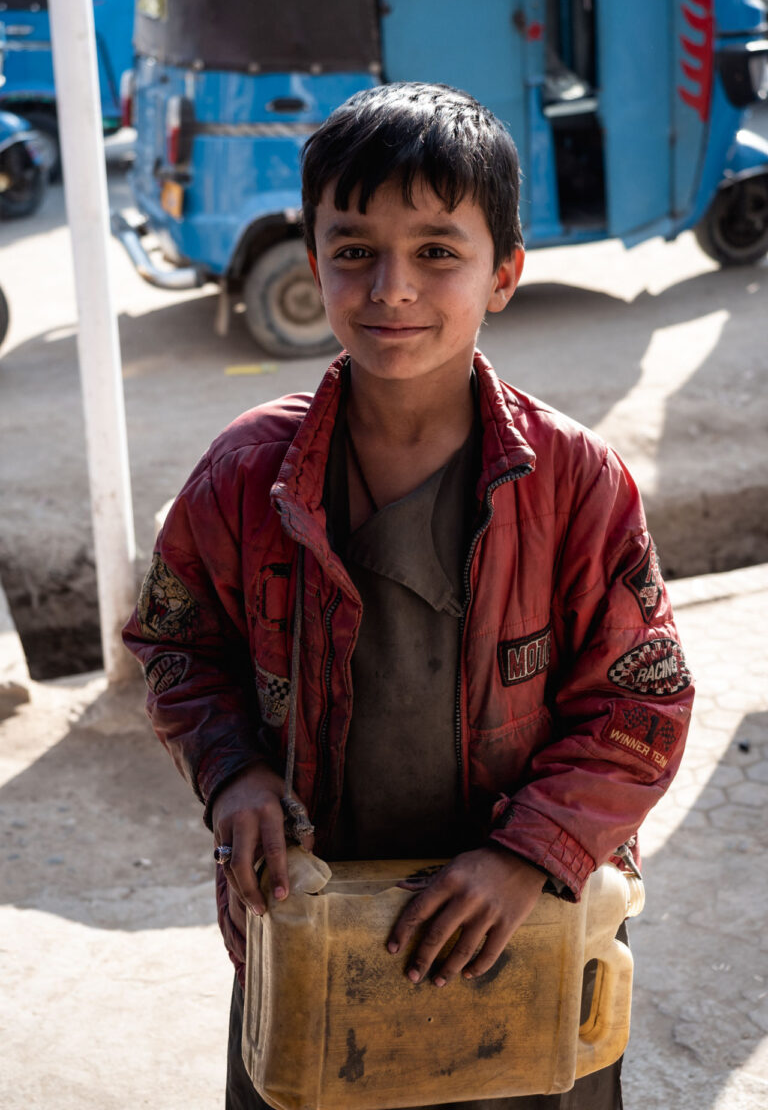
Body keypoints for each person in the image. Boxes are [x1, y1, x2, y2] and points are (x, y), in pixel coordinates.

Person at [123, 81, 693, 1110]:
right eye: (354, 251)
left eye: (438, 251)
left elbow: (639, 703)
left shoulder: (576, 483)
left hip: (518, 928)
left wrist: (532, 855)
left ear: (504, 272)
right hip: (314, 925)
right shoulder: (244, 476)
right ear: (314, 267)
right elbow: (175, 642)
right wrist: (233, 777)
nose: (393, 287)